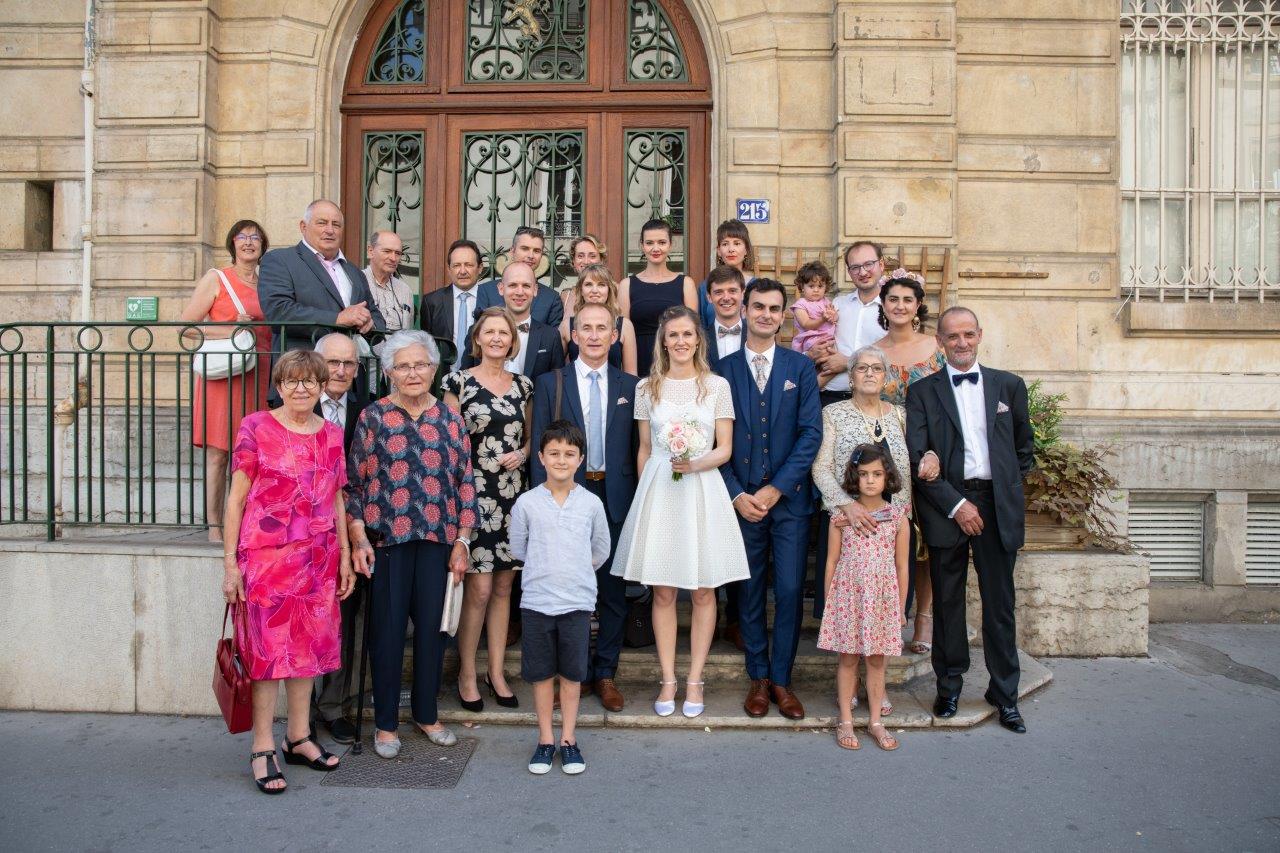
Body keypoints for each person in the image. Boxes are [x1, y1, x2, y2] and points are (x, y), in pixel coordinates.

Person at [221, 349, 355, 794]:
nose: (301, 388)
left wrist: (345, 555)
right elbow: (236, 499)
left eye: (310, 381)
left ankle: (298, 737)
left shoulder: (332, 434)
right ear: (278, 386)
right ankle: (263, 746)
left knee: (308, 652)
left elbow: (336, 499)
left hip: (318, 560)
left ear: (322, 386)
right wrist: (230, 564)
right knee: (266, 657)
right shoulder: (255, 427)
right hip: (266, 562)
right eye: (291, 381)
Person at [612, 306, 749, 719]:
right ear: (664, 341)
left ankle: (695, 679)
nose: (681, 341)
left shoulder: (716, 386)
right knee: (664, 590)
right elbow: (644, 448)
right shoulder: (646, 388)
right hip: (661, 490)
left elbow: (725, 448)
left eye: (687, 334)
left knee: (704, 590)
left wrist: (695, 463)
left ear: (698, 339)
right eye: (673, 335)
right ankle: (668, 678)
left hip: (702, 488)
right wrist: (647, 494)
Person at [904, 307, 1035, 733]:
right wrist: (957, 504)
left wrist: (1000, 491)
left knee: (1000, 604)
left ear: (979, 335)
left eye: (967, 335)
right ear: (939, 342)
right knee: (947, 602)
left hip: (996, 506)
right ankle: (949, 686)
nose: (961, 343)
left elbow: (1024, 449)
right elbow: (916, 456)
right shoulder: (922, 392)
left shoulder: (1009, 386)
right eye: (952, 336)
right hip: (947, 504)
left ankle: (1005, 693)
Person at [346, 330, 475, 757]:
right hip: (387, 542)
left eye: (420, 364)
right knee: (386, 633)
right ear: (389, 373)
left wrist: (463, 541)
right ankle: (385, 723)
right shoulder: (373, 417)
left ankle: (426, 713)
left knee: (433, 634)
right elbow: (354, 483)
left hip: (439, 542)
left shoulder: (450, 419)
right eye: (403, 366)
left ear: (434, 369)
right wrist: (358, 535)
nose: (413, 372)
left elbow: (465, 483)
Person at [812, 346, 936, 719]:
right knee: (851, 615)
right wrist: (845, 506)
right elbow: (820, 467)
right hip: (846, 523)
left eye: (877, 368)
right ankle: (850, 687)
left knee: (884, 612)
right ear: (850, 377)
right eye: (861, 368)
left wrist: (931, 459)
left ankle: (877, 687)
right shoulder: (833, 413)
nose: (869, 373)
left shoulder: (900, 415)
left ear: (885, 377)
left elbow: (916, 460)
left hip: (892, 525)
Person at [718, 278, 821, 720]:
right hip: (743, 503)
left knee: (791, 589)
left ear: (783, 317)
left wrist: (777, 487)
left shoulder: (800, 368)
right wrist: (736, 493)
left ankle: (782, 679)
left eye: (774, 308)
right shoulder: (722, 370)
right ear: (744, 310)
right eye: (758, 306)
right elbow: (711, 440)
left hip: (790, 501)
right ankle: (758, 677)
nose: (765, 314)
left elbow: (810, 434)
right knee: (750, 591)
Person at [531, 302, 640, 712]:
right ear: (574, 335)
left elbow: (639, 448)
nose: (594, 336)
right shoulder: (550, 383)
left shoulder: (632, 386)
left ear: (615, 336)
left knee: (612, 591)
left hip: (615, 495)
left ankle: (605, 673)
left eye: (602, 328)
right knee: (565, 591)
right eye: (586, 328)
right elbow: (539, 447)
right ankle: (569, 675)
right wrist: (544, 502)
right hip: (566, 494)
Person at [442, 306, 533, 712]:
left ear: (513, 341)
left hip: (512, 495)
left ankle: (496, 672)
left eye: (504, 333)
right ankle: (467, 672)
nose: (497, 338)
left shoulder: (524, 386)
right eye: (490, 332)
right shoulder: (458, 382)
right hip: (473, 496)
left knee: (503, 588)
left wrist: (523, 454)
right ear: (478, 338)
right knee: (478, 589)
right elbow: (447, 443)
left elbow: (529, 438)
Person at [509, 421, 611, 775]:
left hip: (577, 603)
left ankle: (568, 739)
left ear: (581, 459)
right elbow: (519, 548)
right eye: (554, 453)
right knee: (540, 676)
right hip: (537, 602)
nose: (561, 460)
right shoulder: (526, 503)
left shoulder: (591, 504)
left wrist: (574, 570)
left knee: (571, 675)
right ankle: (545, 740)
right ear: (540, 457)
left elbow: (600, 550)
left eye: (569, 453)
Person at [180, 219, 273, 543]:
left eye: (255, 237)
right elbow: (185, 327)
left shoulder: (268, 283)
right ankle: (215, 525)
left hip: (259, 374)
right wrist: (232, 328)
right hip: (223, 376)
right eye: (242, 237)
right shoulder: (217, 278)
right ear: (232, 243)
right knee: (218, 452)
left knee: (253, 452)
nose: (248, 242)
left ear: (262, 245)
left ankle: (245, 520)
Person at [818, 443, 910, 752]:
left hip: (881, 599)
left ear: (888, 477)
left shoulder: (898, 517)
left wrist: (900, 608)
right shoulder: (839, 518)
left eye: (877, 474)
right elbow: (831, 561)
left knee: (877, 661)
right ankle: (845, 720)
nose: (870, 480)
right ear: (854, 477)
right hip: (848, 597)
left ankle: (875, 722)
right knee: (847, 659)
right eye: (863, 474)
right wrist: (831, 603)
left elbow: (902, 565)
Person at [875, 270, 947, 655]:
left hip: (932, 453)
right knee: (892, 539)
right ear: (883, 305)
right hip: (887, 458)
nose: (900, 306)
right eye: (893, 299)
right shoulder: (872, 352)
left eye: (907, 299)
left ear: (918, 305)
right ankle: (890, 615)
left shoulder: (937, 348)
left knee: (928, 541)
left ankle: (925, 616)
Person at [308, 332, 367, 743]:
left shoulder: (367, 411)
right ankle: (301, 713)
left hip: (351, 527)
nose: (341, 371)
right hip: (303, 531)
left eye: (349, 364)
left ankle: (332, 706)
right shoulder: (291, 406)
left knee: (345, 622)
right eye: (333, 362)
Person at [258, 199, 385, 356]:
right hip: (303, 366)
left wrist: (370, 324)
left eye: (336, 225)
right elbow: (278, 312)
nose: (330, 230)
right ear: (303, 227)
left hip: (349, 367)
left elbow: (377, 319)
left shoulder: (354, 272)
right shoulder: (280, 260)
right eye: (322, 223)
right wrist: (337, 319)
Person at [618, 219, 698, 378]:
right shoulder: (626, 285)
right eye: (649, 243)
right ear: (642, 245)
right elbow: (624, 334)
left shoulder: (686, 284)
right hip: (638, 364)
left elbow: (692, 331)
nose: (656, 248)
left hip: (676, 365)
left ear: (670, 244)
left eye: (661, 242)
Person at [461, 263, 565, 382]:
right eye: (513, 285)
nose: (520, 292)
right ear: (501, 288)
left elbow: (557, 384)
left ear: (535, 290)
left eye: (526, 285)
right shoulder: (478, 331)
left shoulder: (550, 336)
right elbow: (464, 378)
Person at [812, 241, 886, 406]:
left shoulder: (892, 309)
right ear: (849, 271)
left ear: (881, 264)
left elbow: (896, 356)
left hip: (875, 400)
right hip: (830, 397)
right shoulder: (838, 305)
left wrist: (849, 362)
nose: (863, 272)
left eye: (869, 264)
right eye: (855, 267)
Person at [472, 226, 564, 327]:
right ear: (512, 251)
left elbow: (553, 336)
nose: (531, 255)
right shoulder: (486, 291)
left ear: (542, 255)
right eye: (525, 249)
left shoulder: (552, 298)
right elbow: (476, 332)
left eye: (536, 251)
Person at [559, 263, 638, 375]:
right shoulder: (566, 326)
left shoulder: (625, 326)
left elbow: (631, 375)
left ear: (609, 289)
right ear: (581, 290)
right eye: (588, 284)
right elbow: (556, 372)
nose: (594, 290)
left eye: (601, 284)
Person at [420, 238, 483, 368]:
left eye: (469, 265)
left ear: (480, 268)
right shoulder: (431, 302)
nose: (462, 271)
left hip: (481, 375)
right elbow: (426, 346)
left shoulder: (491, 300)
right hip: (442, 376)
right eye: (456, 265)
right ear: (449, 269)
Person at [698, 219, 756, 331]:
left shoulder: (757, 287)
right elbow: (700, 326)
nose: (731, 249)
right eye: (725, 244)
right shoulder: (705, 287)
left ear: (746, 250)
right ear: (719, 251)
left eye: (737, 243)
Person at [363, 230, 414, 335]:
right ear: (370, 251)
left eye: (398, 253)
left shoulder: (405, 290)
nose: (393, 258)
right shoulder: (357, 281)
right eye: (387, 251)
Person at [704, 264, 747, 377]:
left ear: (743, 294)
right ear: (709, 297)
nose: (726, 298)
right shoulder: (699, 338)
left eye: (732, 291)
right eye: (718, 292)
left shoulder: (757, 336)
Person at [789, 261, 837, 354]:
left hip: (829, 338)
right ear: (802, 287)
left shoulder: (826, 302)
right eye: (811, 286)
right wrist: (823, 319)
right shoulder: (800, 305)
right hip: (810, 341)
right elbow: (806, 324)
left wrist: (833, 316)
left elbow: (835, 318)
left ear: (826, 287)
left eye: (820, 286)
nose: (816, 290)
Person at [559, 234, 609, 317]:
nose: (586, 262)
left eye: (592, 256)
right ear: (573, 261)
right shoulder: (566, 296)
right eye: (580, 256)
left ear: (601, 260)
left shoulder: (616, 293)